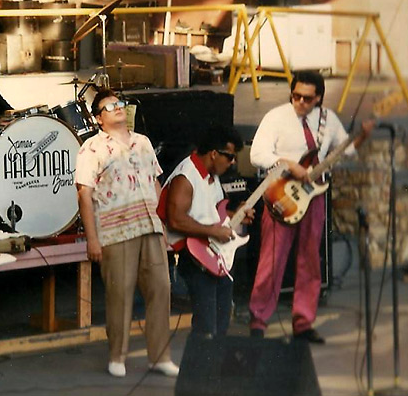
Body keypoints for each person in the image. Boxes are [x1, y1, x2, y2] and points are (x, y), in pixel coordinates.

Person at [248, 70, 374, 343]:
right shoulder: (276, 117)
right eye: (296, 96)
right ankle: (258, 322)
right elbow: (257, 154)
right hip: (282, 194)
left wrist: (361, 137)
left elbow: (343, 152)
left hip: (314, 196)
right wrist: (288, 163)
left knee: (310, 261)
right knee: (272, 260)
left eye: (307, 98)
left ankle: (303, 323)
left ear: (318, 98)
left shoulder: (328, 120)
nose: (300, 102)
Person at [75, 89, 179, 378]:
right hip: (116, 230)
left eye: (120, 103)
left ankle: (160, 356)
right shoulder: (91, 149)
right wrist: (92, 239)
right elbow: (84, 194)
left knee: (161, 288)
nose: (118, 108)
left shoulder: (143, 142)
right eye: (110, 106)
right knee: (120, 294)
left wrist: (164, 224)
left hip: (150, 225)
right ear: (98, 118)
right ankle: (117, 356)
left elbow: (155, 182)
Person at [158, 126, 254, 338]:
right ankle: (201, 368)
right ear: (214, 153)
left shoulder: (212, 176)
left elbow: (212, 214)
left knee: (220, 321)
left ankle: (214, 365)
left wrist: (234, 214)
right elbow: (175, 219)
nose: (233, 163)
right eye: (229, 157)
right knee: (206, 325)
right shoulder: (186, 176)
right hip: (193, 256)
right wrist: (212, 231)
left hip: (213, 254)